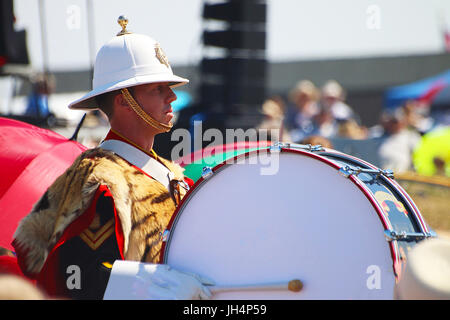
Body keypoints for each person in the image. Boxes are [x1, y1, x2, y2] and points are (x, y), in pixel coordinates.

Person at [12, 16, 212, 300]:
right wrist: (151, 286)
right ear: (123, 100)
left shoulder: (174, 174)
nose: (172, 97)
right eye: (157, 88)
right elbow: (76, 276)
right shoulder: (98, 181)